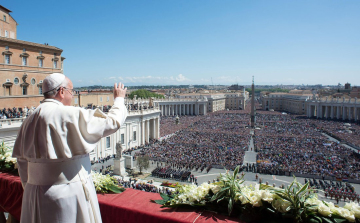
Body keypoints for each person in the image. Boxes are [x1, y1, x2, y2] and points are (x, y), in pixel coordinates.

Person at [12, 73, 128, 223]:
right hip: (67, 194)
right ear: (61, 91)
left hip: (33, 195)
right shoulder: (69, 114)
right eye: (71, 91)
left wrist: (32, 187)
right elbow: (112, 122)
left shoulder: (28, 119)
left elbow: (22, 162)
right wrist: (119, 99)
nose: (72, 96)